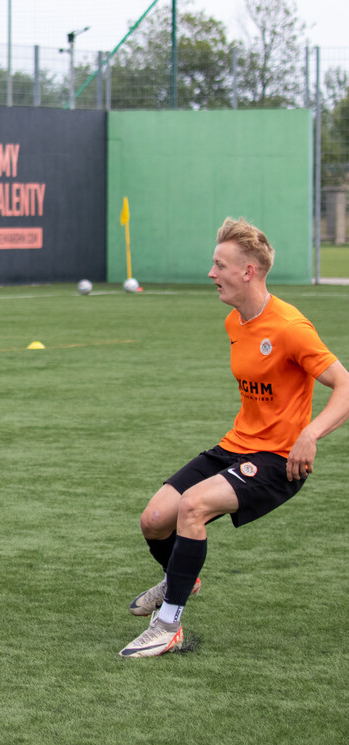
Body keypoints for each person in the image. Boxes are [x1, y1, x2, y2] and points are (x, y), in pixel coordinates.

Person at [120, 217, 349, 658]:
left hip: (278, 460)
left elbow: (344, 385)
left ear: (248, 271)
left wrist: (311, 433)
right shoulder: (234, 322)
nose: (211, 274)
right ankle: (183, 575)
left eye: (219, 265)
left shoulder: (290, 328)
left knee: (193, 507)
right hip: (234, 446)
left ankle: (168, 625)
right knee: (153, 519)